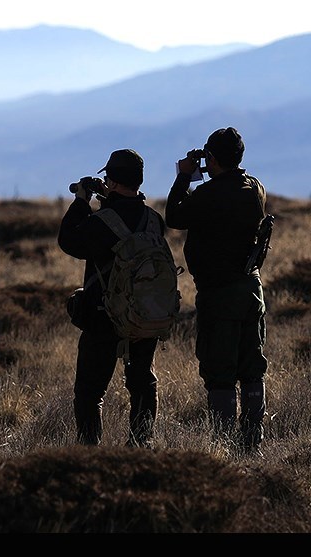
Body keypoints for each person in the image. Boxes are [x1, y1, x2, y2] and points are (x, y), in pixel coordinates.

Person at [165, 127, 268, 455]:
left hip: (219, 293)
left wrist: (184, 177)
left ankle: (223, 443)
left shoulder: (208, 195)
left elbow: (174, 216)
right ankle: (253, 440)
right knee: (252, 363)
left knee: (220, 369)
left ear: (212, 158)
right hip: (251, 288)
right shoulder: (255, 188)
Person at [58, 148, 164, 447]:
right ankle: (140, 445)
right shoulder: (154, 220)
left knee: (90, 391)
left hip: (104, 318)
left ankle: (91, 451)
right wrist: (110, 198)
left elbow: (69, 241)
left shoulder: (102, 221)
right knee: (142, 382)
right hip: (145, 315)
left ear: (113, 182)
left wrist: (82, 201)